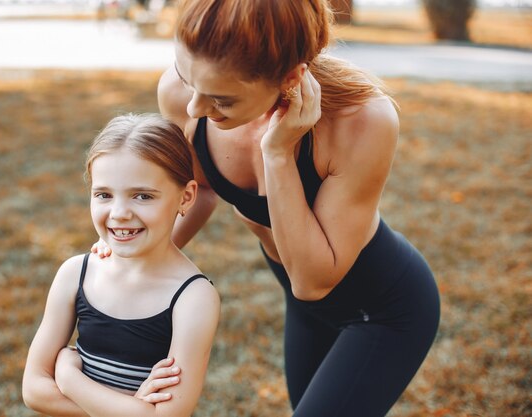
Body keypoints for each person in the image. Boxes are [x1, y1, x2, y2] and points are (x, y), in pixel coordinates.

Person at [95, 1, 441, 416]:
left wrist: (277, 154)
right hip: (302, 304)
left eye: (222, 100)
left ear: (291, 78)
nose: (194, 109)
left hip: (384, 308)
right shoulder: (181, 93)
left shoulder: (360, 121)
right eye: (187, 77)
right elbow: (200, 188)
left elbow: (313, 280)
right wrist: (124, 262)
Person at [23, 113, 220, 417]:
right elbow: (34, 390)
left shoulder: (193, 297)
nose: (119, 213)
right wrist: (131, 408)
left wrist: (68, 378)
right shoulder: (76, 274)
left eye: (142, 196)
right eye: (103, 194)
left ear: (186, 196)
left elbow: (165, 415)